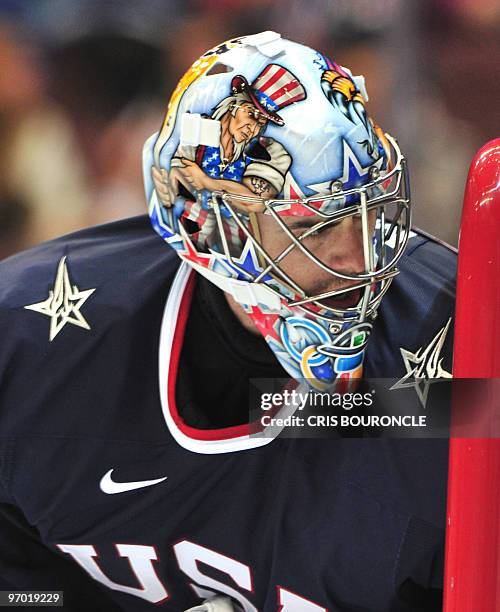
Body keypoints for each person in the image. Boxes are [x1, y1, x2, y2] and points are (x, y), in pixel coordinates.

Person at [0, 33, 456, 611]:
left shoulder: (453, 364)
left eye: (367, 209)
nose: (356, 258)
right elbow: (22, 592)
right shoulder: (27, 343)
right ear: (207, 225)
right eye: (314, 228)